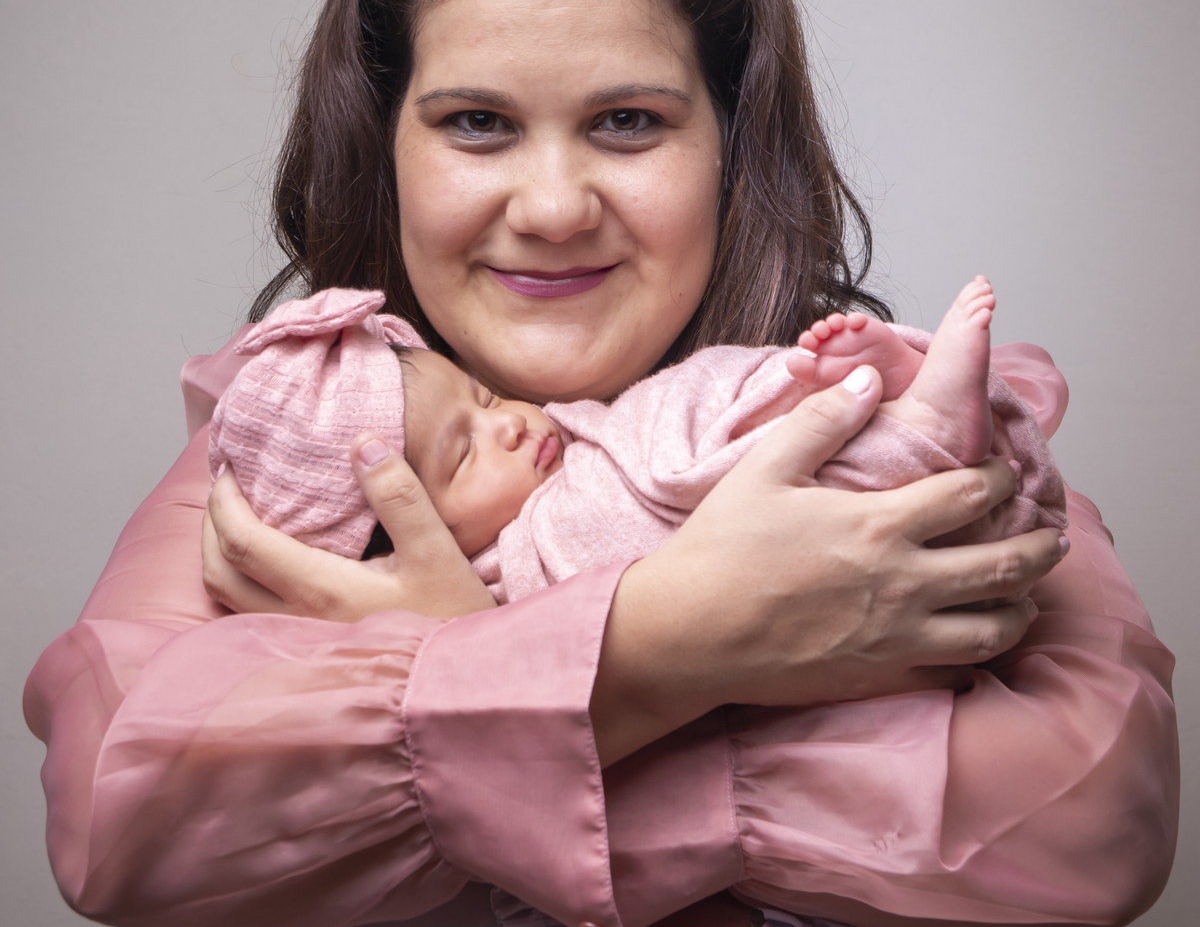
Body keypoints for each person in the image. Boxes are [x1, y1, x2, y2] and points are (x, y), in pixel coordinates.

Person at [23, 0, 1177, 927]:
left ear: (731, 144)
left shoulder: (903, 430)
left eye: (629, 122)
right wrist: (672, 646)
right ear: (386, 144)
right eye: (476, 123)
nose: (554, 203)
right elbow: (124, 815)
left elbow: (1100, 818)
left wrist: (464, 709)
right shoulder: (293, 459)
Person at [206, 274, 1068, 599]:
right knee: (680, 496)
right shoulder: (491, 573)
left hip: (637, 443)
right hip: (671, 534)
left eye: (483, 396)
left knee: (700, 396)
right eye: (464, 454)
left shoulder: (574, 433)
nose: (510, 424)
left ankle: (867, 389)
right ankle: (922, 428)